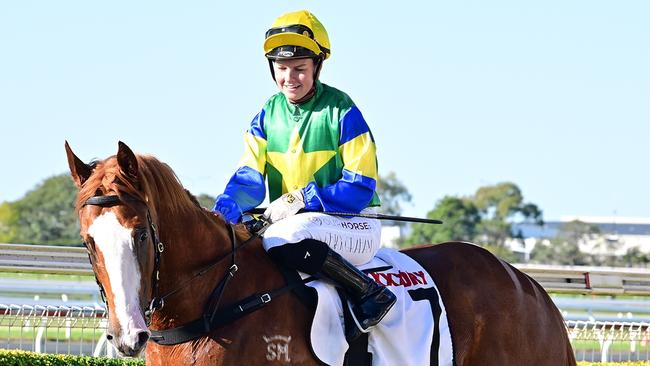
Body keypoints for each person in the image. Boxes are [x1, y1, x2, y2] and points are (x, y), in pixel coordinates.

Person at [213, 9, 395, 339]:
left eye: (299, 69)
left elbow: (360, 187)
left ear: (317, 67)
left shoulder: (342, 110)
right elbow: (250, 176)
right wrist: (227, 205)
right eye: (282, 69)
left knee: (287, 236)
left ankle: (370, 293)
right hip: (294, 224)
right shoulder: (267, 114)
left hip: (354, 222)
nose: (289, 78)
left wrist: (303, 199)